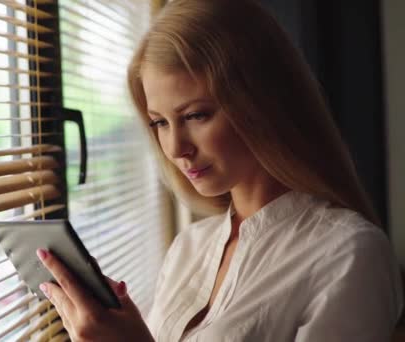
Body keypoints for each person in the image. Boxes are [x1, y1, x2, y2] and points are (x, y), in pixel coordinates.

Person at [35, 0, 404, 340]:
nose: (176, 148)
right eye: (160, 123)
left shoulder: (348, 253)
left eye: (195, 115)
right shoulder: (187, 249)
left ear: (262, 102)